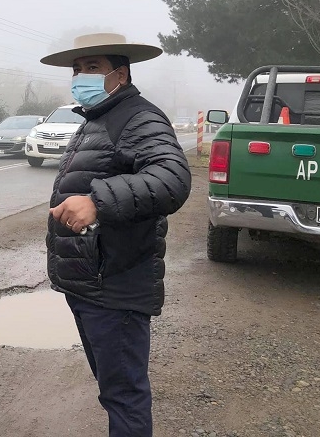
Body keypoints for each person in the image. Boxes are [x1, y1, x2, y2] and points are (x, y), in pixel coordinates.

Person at [40, 33, 191, 437]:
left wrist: (97, 201)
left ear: (119, 75)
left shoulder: (138, 118)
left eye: (92, 68)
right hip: (92, 285)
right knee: (114, 392)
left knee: (124, 397)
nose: (79, 77)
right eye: (77, 70)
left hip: (116, 288)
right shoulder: (99, 118)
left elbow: (172, 178)